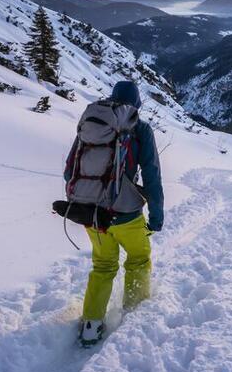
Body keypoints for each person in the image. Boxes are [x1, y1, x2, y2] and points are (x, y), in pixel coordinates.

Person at [65, 80, 164, 346]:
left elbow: (68, 171)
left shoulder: (93, 125)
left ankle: (91, 325)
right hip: (125, 213)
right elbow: (152, 174)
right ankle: (134, 317)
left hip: (91, 213)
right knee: (139, 258)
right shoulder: (140, 128)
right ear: (137, 105)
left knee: (103, 265)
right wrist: (156, 214)